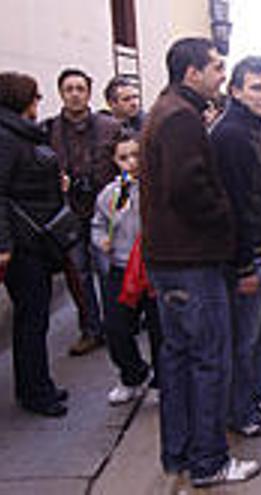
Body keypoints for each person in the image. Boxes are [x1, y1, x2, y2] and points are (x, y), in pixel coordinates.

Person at [141, 37, 260, 487]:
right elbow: (188, 189)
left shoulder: (169, 110)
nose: (220, 76)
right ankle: (208, 461)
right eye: (215, 68)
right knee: (208, 361)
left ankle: (181, 454)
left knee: (178, 360)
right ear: (192, 73)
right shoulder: (180, 118)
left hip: (172, 258)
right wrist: (226, 218)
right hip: (190, 260)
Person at [212, 56, 261, 438]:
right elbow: (233, 206)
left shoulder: (256, 127)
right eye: (256, 87)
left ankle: (254, 394)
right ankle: (240, 413)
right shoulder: (231, 135)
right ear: (236, 91)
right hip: (247, 254)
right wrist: (243, 266)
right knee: (245, 338)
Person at [0, 71, 69, 417]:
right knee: (31, 320)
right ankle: (36, 392)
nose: (39, 102)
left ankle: (37, 384)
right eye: (36, 96)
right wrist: (4, 246)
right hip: (24, 244)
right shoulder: (8, 138)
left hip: (33, 239)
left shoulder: (20, 134)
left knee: (33, 318)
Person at [46, 68, 121, 356]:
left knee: (107, 271)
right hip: (70, 213)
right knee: (78, 275)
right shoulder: (49, 130)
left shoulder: (109, 127)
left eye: (80, 88)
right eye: (69, 89)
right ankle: (91, 329)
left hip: (104, 212)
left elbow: (126, 165)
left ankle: (117, 326)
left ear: (89, 92)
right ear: (61, 93)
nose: (75, 94)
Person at [91, 128, 160, 405]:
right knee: (116, 327)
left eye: (136, 155)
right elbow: (97, 223)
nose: (131, 162)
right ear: (115, 161)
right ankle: (132, 375)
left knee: (160, 329)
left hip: (154, 268)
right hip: (120, 267)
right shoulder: (112, 192)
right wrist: (101, 240)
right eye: (124, 157)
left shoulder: (158, 187)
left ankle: (162, 380)